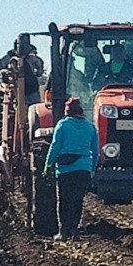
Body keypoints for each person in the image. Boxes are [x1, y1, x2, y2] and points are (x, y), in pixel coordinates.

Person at [45, 96, 98, 241]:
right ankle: (75, 232)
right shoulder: (91, 127)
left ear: (67, 111)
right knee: (77, 201)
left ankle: (62, 232)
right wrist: (92, 169)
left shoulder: (62, 125)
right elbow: (95, 151)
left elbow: (54, 147)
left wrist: (47, 165)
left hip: (65, 170)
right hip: (84, 170)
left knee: (63, 200)